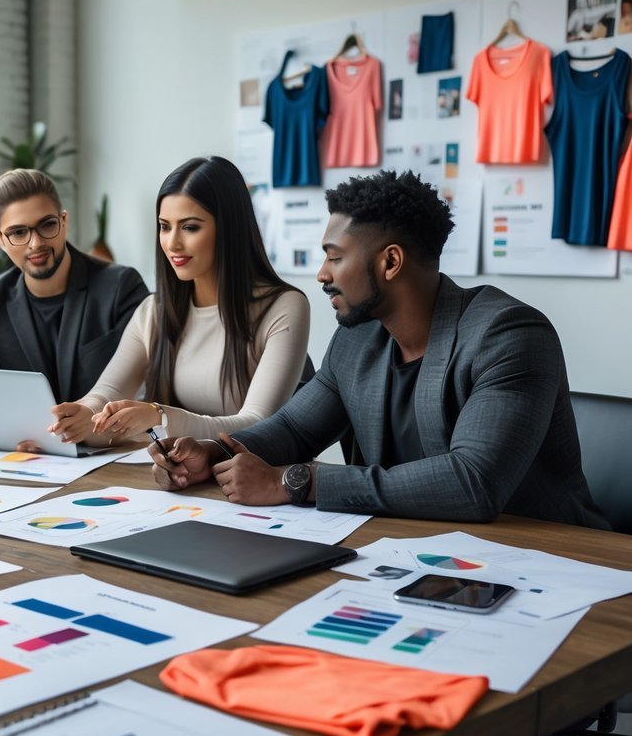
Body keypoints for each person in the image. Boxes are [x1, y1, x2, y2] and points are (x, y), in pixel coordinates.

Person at [150, 170, 608, 529]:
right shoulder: (359, 337)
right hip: (407, 549)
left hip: (549, 558)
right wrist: (215, 452)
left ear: (390, 262)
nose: (322, 274)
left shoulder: (508, 335)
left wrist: (295, 482)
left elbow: (474, 483)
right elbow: (293, 428)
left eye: (335, 256)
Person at [50, 156, 310, 446]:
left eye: (190, 227)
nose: (172, 243)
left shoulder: (285, 307)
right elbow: (109, 391)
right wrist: (82, 414)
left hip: (246, 483)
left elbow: (256, 424)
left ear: (229, 229)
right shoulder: (155, 310)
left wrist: (160, 417)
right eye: (164, 226)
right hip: (174, 480)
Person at [0, 168, 149, 405]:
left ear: (64, 221)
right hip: (22, 440)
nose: (36, 243)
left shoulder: (121, 287)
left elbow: (146, 390)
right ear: (0, 240)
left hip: (109, 440)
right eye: (18, 232)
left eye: (47, 225)